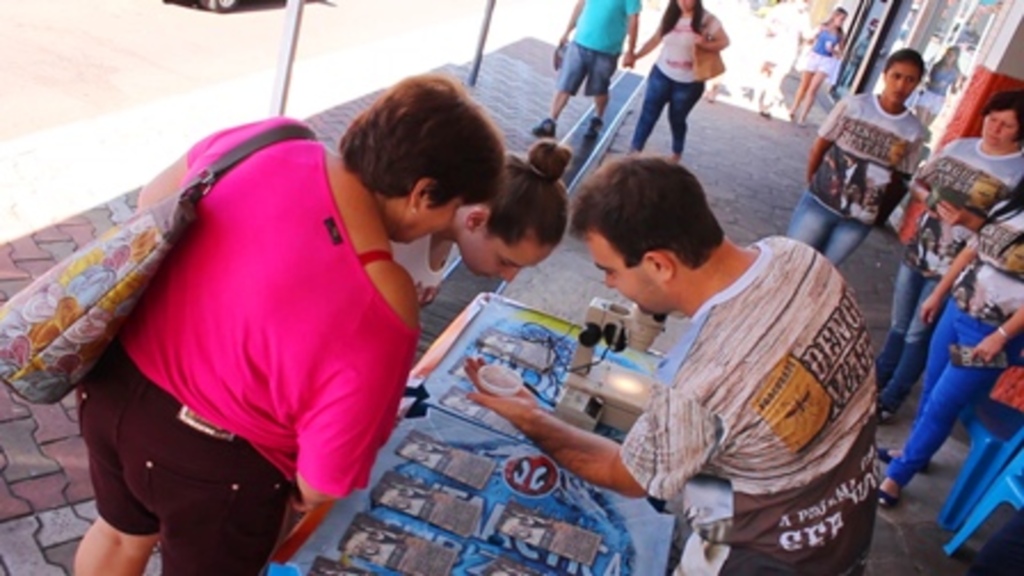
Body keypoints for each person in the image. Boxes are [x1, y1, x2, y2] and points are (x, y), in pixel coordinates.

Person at [72, 73, 507, 576]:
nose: (440, 229)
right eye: (450, 213)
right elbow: (322, 481)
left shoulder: (269, 138)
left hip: (113, 387)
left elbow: (153, 202)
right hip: (213, 468)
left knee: (120, 535)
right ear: (422, 192)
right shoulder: (385, 299)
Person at [468, 157, 878, 574]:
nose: (609, 284)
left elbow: (626, 473)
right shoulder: (800, 258)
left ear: (660, 265)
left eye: (610, 271)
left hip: (763, 554)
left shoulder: (702, 382)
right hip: (848, 518)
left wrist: (532, 418)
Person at [876, 90, 1024, 422]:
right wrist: (931, 201)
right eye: (993, 118)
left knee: (919, 331)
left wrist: (970, 221)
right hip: (921, 248)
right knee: (900, 323)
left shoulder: (1018, 174)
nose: (995, 128)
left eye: (1006, 125)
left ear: (1020, 131)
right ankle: (876, 379)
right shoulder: (960, 147)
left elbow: (1009, 233)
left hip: (961, 266)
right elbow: (919, 183)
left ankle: (891, 398)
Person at [878, 178, 1024, 508]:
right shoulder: (1009, 206)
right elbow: (973, 251)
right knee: (931, 389)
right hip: (957, 312)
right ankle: (915, 452)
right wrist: (939, 294)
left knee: (944, 403)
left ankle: (896, 477)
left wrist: (1000, 337)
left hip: (993, 334)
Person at [786, 48, 927, 265]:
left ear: (917, 84)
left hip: (859, 219)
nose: (901, 86)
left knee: (824, 272)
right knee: (792, 261)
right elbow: (820, 146)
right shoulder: (854, 106)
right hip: (821, 202)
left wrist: (876, 212)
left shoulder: (913, 130)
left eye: (910, 80)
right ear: (885, 75)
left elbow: (900, 177)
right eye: (896, 76)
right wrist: (814, 183)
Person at [392, 139, 572, 305]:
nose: (509, 277)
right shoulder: (399, 231)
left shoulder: (445, 230)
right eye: (504, 261)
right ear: (476, 221)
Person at [626, 0, 730, 162]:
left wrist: (705, 44)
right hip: (662, 73)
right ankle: (634, 152)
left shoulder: (707, 19)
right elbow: (655, 39)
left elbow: (724, 41)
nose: (683, 2)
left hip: (689, 82)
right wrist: (635, 56)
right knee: (648, 114)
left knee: (677, 118)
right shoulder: (671, 16)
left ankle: (676, 152)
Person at [531, 0, 642, 140]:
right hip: (579, 43)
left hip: (607, 50)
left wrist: (631, 51)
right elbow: (580, 5)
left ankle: (597, 119)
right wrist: (567, 31)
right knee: (565, 83)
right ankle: (551, 121)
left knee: (599, 89)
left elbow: (634, 20)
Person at [788, 7, 847, 125]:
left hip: (826, 61)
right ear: (834, 17)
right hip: (814, 57)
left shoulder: (840, 34)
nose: (842, 22)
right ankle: (793, 109)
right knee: (804, 86)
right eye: (841, 19)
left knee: (812, 89)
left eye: (844, 20)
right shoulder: (822, 27)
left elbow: (841, 53)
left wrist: (834, 51)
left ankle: (803, 117)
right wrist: (813, 37)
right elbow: (809, 40)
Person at [755, 0, 806, 119]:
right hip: (775, 45)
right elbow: (767, 21)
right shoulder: (782, 8)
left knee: (778, 76)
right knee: (766, 72)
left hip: (789, 49)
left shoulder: (803, 15)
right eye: (804, 2)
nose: (805, 5)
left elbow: (806, 34)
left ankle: (766, 103)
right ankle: (761, 99)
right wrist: (772, 30)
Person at [913, 46, 963, 128]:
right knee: (920, 124)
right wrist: (936, 84)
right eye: (947, 54)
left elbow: (953, 90)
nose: (948, 57)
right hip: (929, 94)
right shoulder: (937, 66)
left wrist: (957, 86)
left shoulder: (956, 72)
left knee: (925, 127)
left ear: (955, 58)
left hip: (940, 99)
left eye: (951, 55)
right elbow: (927, 82)